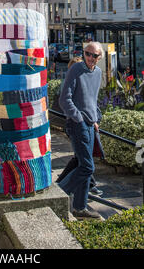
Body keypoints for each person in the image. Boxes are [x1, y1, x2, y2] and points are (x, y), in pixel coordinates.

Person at [57, 41, 104, 220]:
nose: (90, 58)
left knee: (85, 166)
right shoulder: (76, 69)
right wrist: (78, 117)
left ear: (100, 58)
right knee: (86, 166)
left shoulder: (98, 73)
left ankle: (80, 207)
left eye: (94, 55)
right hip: (78, 124)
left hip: (91, 125)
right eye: (87, 54)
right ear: (84, 53)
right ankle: (59, 195)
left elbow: (92, 99)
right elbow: (64, 99)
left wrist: (94, 117)